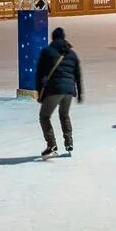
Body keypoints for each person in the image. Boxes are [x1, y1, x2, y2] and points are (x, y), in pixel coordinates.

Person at [34, 27, 83, 159]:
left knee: (44, 117)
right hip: (68, 91)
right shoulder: (72, 54)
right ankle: (69, 143)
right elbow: (78, 74)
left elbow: (39, 74)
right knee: (64, 115)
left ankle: (52, 145)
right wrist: (79, 93)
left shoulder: (47, 52)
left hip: (54, 89)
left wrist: (40, 93)